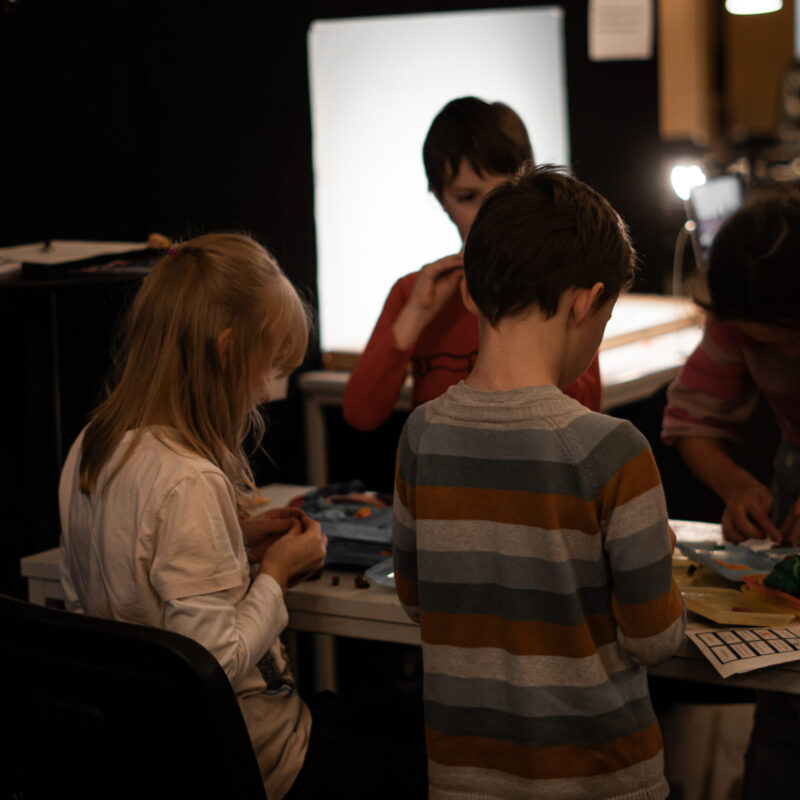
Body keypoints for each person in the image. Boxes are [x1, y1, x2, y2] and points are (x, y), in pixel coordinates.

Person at [58, 234, 425, 800]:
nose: (266, 394)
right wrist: (276, 573)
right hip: (251, 760)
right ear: (228, 352)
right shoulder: (189, 480)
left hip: (149, 750)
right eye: (268, 368)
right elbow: (215, 660)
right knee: (432, 756)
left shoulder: (91, 446)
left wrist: (238, 540)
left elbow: (110, 592)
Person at [393, 165, 685, 800]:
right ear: (586, 301)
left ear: (470, 293)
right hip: (602, 779)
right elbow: (655, 639)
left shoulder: (421, 435)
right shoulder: (612, 450)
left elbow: (415, 599)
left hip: (462, 779)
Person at [343, 97, 602, 432]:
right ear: (439, 197)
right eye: (467, 197)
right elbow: (361, 414)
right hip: (444, 480)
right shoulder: (415, 292)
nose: (490, 212)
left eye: (505, 192)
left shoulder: (561, 284)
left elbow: (584, 418)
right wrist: (415, 317)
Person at [661, 187, 800, 797]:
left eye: (795, 335)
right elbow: (691, 421)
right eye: (764, 343)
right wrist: (736, 484)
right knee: (787, 695)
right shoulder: (733, 319)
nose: (788, 354)